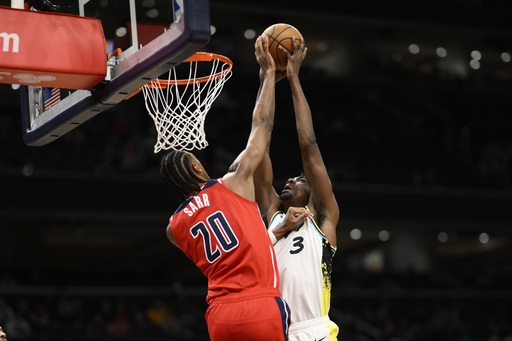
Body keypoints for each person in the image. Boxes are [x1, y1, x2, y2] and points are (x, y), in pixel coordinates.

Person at [160, 36, 309, 341]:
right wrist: (268, 75)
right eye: (194, 157)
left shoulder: (173, 229)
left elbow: (231, 243)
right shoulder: (233, 182)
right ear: (197, 168)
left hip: (219, 315)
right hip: (258, 303)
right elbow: (262, 126)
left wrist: (275, 234)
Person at [254, 36, 340, 340]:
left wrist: (292, 79)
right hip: (273, 329)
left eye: (299, 179)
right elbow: (259, 146)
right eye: (289, 179)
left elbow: (309, 144)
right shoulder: (272, 214)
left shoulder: (322, 216)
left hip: (313, 329)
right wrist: (266, 80)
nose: (290, 180)